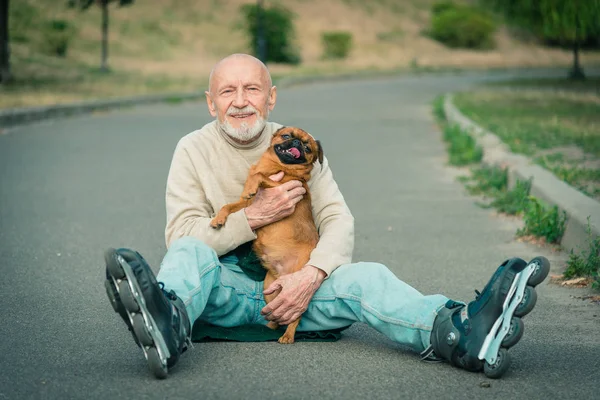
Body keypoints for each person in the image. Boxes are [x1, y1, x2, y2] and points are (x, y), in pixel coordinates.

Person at [104, 53, 549, 379]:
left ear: (271, 97)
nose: (241, 101)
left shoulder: (300, 146)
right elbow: (182, 234)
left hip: (300, 291)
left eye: (252, 89)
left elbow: (339, 220)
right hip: (221, 292)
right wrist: (253, 216)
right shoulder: (192, 149)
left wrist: (311, 276)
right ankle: (169, 320)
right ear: (211, 103)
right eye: (228, 91)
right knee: (186, 252)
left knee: (367, 278)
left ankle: (459, 332)